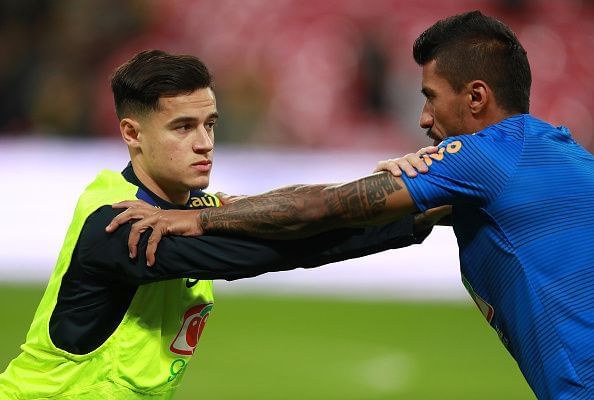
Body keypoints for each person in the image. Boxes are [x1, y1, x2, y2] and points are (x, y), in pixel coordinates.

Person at [109, 12, 594, 399]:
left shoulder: (488, 157)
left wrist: (199, 217)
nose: (424, 118)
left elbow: (329, 207)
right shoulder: (558, 153)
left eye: (430, 97)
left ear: (476, 97)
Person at [0, 50, 447, 399]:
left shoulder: (190, 208)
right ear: (132, 134)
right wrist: (405, 209)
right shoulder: (123, 225)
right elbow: (275, 249)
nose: (204, 144)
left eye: (210, 124)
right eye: (182, 127)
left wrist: (409, 206)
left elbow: (282, 211)